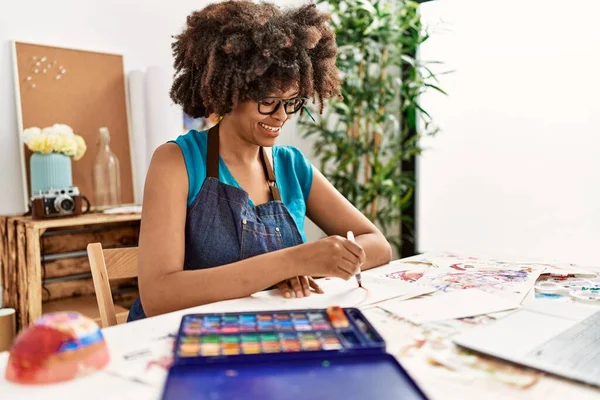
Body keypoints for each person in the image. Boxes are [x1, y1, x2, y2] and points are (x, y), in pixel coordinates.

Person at [127, 0, 392, 321]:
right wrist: (291, 262)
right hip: (181, 339)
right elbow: (159, 296)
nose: (281, 115)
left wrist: (321, 264)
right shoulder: (177, 161)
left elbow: (378, 244)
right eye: (268, 101)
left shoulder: (291, 165)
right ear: (230, 92)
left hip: (263, 328)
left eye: (292, 102)